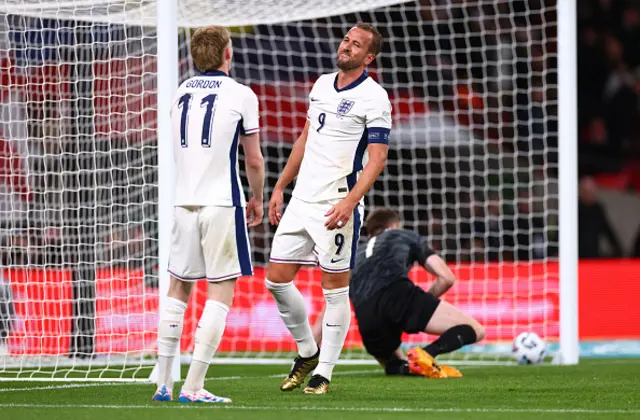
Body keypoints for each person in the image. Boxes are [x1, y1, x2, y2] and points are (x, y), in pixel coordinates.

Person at [265, 22, 391, 394]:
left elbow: (377, 158)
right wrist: (280, 185)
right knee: (275, 279)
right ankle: (307, 350)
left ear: (368, 57)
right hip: (301, 199)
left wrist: (350, 202)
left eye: (356, 45)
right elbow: (305, 137)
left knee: (334, 290)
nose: (346, 47)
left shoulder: (374, 96)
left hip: (336, 203)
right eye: (346, 40)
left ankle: (323, 372)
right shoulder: (321, 84)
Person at [153, 26, 264, 403]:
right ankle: (194, 386)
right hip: (221, 202)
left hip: (182, 201)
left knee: (177, 289)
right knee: (220, 291)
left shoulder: (180, 90)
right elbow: (253, 158)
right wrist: (258, 198)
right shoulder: (242, 94)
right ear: (227, 54)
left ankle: (163, 383)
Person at [313, 208, 485, 378]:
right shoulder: (404, 235)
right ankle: (427, 353)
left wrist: (311, 344)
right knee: (475, 329)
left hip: (365, 315)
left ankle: (406, 365)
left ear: (370, 231)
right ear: (395, 225)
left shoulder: (354, 254)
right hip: (397, 293)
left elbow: (334, 299)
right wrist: (421, 305)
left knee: (398, 365)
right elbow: (446, 278)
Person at [578, 176, 623, 258]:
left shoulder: (597, 209)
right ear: (581, 192)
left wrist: (618, 249)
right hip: (576, 256)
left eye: (592, 191)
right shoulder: (573, 209)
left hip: (593, 255)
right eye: (587, 192)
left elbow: (607, 229)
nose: (590, 194)